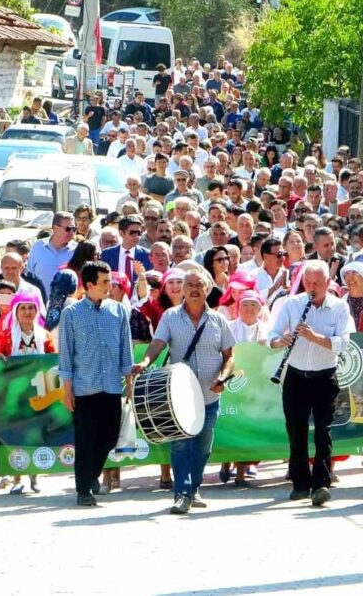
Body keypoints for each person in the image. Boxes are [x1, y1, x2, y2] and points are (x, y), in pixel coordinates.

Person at [135, 268, 235, 514]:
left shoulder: (219, 320)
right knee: (180, 446)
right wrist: (146, 361)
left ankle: (194, 489)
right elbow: (158, 343)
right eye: (188, 284)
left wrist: (222, 377)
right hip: (179, 397)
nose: (192, 288)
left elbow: (229, 356)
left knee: (203, 447)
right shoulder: (170, 317)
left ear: (207, 289)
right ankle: (181, 494)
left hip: (210, 395)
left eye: (198, 284)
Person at [269, 260, 355, 507]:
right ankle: (300, 483)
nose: (312, 288)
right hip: (295, 375)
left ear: (328, 282)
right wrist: (280, 341)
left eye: (317, 283)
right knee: (295, 431)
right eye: (308, 283)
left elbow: (343, 343)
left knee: (322, 432)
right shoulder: (291, 304)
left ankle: (321, 484)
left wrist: (315, 337)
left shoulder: (339, 307)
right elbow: (271, 336)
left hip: (324, 377)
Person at [58, 261, 136, 507]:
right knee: (85, 440)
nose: (109, 286)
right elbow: (66, 355)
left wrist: (129, 382)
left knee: (110, 436)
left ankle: (92, 475)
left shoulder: (118, 311)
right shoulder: (71, 314)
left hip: (112, 385)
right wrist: (66, 388)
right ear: (89, 285)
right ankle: (83, 490)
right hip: (84, 387)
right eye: (104, 282)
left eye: (110, 282)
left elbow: (126, 348)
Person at [0, 293, 55, 495]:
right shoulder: (6, 336)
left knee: (36, 433)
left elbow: (52, 362)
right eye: (23, 308)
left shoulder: (45, 336)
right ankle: (17, 477)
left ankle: (34, 474)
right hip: (14, 395)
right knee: (16, 433)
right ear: (16, 312)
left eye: (31, 308)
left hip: (38, 395)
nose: (27, 312)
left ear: (37, 311)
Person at [27, 212, 78, 291]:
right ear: (55, 228)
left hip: (67, 303)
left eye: (74, 229)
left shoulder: (77, 250)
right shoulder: (38, 247)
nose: (71, 232)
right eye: (68, 229)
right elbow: (29, 275)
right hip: (41, 301)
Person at [102, 215, 152, 283]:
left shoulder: (147, 255)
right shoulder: (107, 255)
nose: (137, 236)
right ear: (121, 233)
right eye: (132, 233)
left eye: (139, 233)